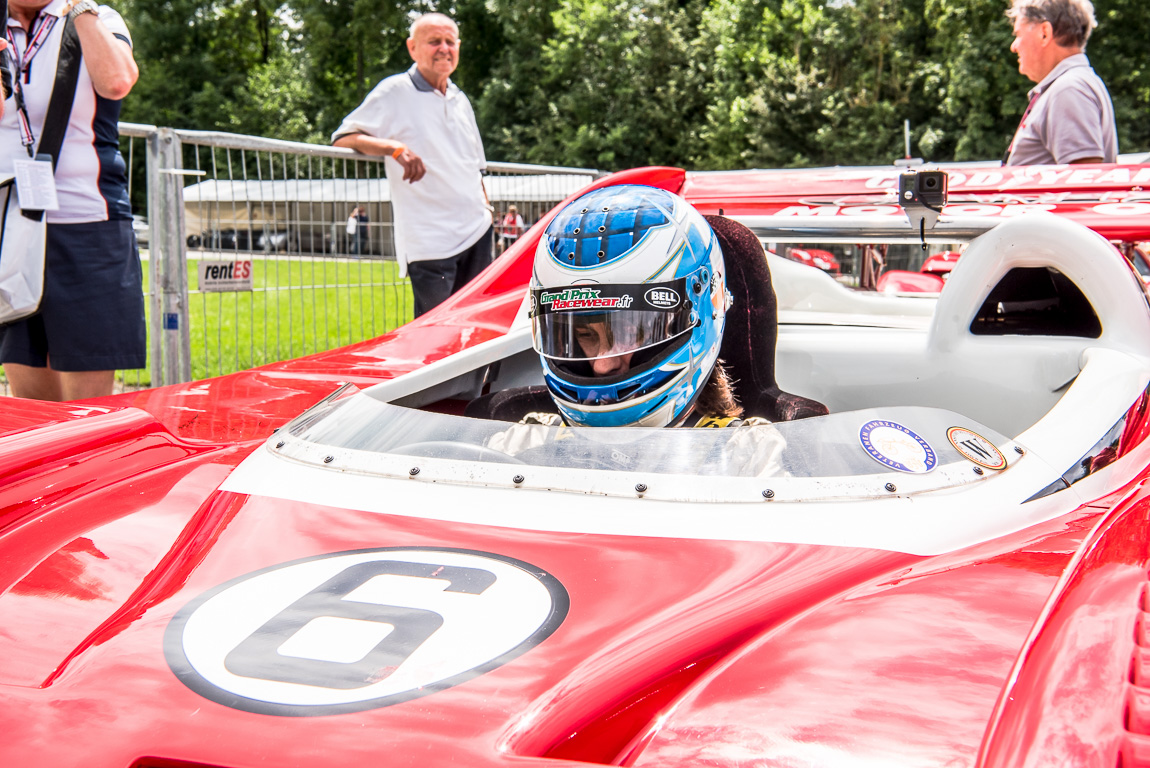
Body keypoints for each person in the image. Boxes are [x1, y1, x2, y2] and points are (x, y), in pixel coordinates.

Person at [0, 0, 145, 401]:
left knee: (87, 406)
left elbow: (117, 81)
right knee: (31, 404)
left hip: (87, 221)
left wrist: (80, 7)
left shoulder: (95, 19)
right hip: (13, 226)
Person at [528, 184, 747, 429]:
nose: (602, 365)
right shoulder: (529, 438)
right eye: (584, 334)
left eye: (629, 332)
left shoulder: (746, 458)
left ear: (705, 308)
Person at [332, 12, 493, 318]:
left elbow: (477, 167)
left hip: (477, 232)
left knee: (477, 330)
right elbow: (343, 137)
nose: (444, 48)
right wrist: (393, 148)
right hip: (431, 243)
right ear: (412, 48)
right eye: (434, 42)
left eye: (450, 41)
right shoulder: (394, 91)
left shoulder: (461, 99)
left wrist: (488, 212)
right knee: (435, 335)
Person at [1003, 0, 1117, 166]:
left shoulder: (1069, 89)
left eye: (1018, 35)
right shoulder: (1073, 84)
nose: (1014, 46)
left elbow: (1085, 182)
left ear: (1044, 33)